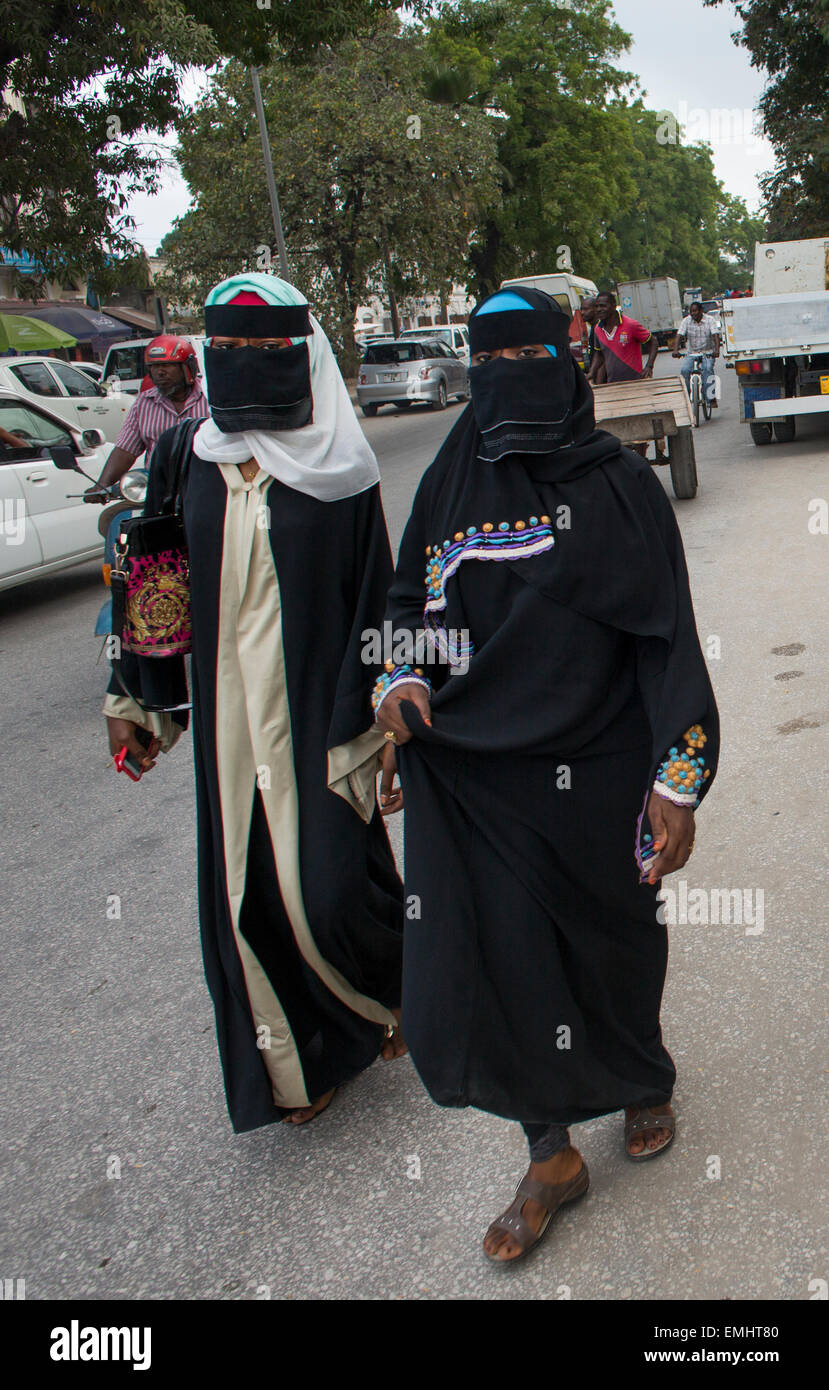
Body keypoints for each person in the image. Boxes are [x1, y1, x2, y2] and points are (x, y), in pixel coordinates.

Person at [374, 286, 719, 1262]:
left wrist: (675, 779)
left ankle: (639, 1076)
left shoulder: (619, 487)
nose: (512, 379)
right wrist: (398, 684)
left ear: (567, 362)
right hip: (479, 773)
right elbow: (409, 602)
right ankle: (548, 1152)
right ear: (472, 372)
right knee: (505, 962)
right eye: (492, 362)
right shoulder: (446, 482)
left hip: (602, 769)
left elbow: (667, 646)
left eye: (532, 357)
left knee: (614, 945)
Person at [102, 273, 406, 1132]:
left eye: (263, 350)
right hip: (230, 729)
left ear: (300, 355)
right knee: (246, 897)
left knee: (330, 884)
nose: (244, 366)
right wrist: (137, 697)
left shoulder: (341, 469)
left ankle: (390, 992)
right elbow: (155, 585)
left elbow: (376, 597)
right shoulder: (182, 456)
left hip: (318, 711)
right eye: (226, 350)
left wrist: (382, 717)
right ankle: (296, 1068)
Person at [83, 336, 209, 502]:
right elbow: (125, 450)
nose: (160, 372)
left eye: (167, 365)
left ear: (188, 367)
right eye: (154, 367)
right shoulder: (143, 403)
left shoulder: (210, 397)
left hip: (206, 488)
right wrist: (102, 485)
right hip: (159, 492)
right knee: (111, 521)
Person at [588, 290, 662, 458]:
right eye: (596, 306)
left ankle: (641, 455)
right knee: (619, 424)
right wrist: (591, 373)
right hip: (614, 385)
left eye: (602, 306)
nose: (598, 309)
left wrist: (649, 366)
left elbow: (653, 342)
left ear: (613, 307)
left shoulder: (630, 325)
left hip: (636, 383)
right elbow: (599, 354)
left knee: (640, 422)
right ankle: (628, 457)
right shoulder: (598, 330)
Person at [673, 301, 720, 409]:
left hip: (707, 352)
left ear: (701, 311)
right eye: (691, 312)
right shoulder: (686, 321)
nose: (693, 314)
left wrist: (716, 350)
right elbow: (679, 335)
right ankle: (686, 395)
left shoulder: (710, 320)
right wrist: (675, 350)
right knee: (684, 370)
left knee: (708, 369)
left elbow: (715, 336)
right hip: (692, 353)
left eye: (695, 311)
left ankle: (711, 397)